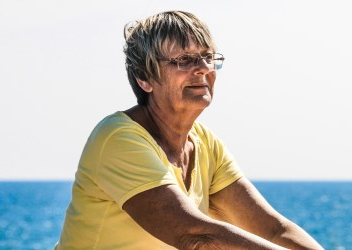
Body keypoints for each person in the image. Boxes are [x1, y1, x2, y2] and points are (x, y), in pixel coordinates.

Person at [56, 10, 323, 249]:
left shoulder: (205, 143)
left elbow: (273, 230)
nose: (203, 69)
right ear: (144, 78)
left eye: (207, 57)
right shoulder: (118, 138)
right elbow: (195, 236)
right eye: (184, 60)